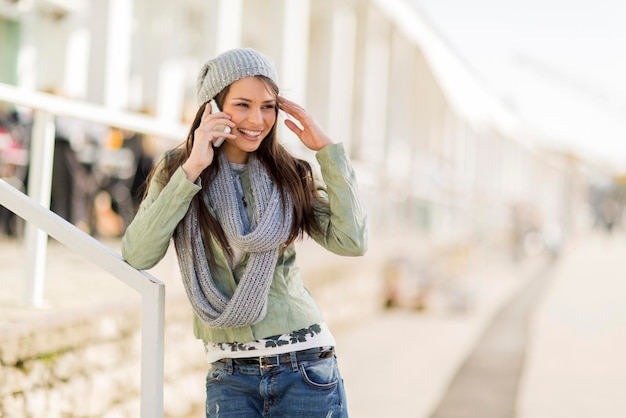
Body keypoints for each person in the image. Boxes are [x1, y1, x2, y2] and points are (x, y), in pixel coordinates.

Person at [121, 48, 367, 417]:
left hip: (305, 369)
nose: (257, 119)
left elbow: (352, 242)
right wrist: (193, 169)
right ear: (211, 107)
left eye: (268, 106)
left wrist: (328, 152)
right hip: (230, 378)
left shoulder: (289, 174)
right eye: (242, 105)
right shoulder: (178, 169)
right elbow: (138, 254)